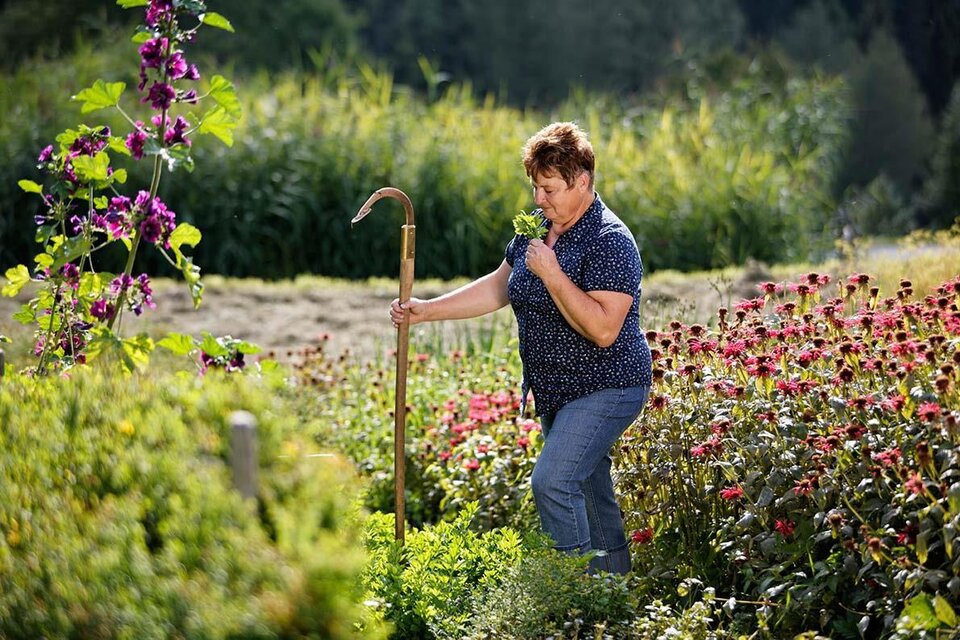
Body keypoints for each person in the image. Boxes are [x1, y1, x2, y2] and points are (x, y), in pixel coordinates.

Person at [389, 121, 652, 574]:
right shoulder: (538, 228)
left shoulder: (610, 241)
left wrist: (553, 274)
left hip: (608, 385)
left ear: (582, 181)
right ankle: (614, 591)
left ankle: (575, 591)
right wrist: (426, 311)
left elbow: (604, 330)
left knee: (553, 483)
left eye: (550, 189)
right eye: (535, 187)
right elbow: (499, 286)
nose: (539, 199)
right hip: (558, 388)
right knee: (590, 488)